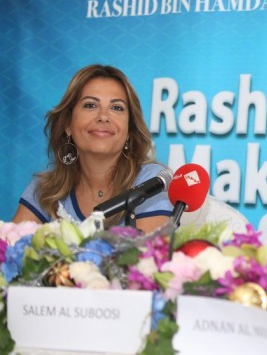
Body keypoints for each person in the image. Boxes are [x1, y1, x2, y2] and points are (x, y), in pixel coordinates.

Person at [12, 64, 173, 233]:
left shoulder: (151, 182)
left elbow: (148, 249)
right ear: (68, 124)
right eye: (90, 105)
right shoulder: (46, 189)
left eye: (116, 107)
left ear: (129, 130)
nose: (103, 116)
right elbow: (9, 245)